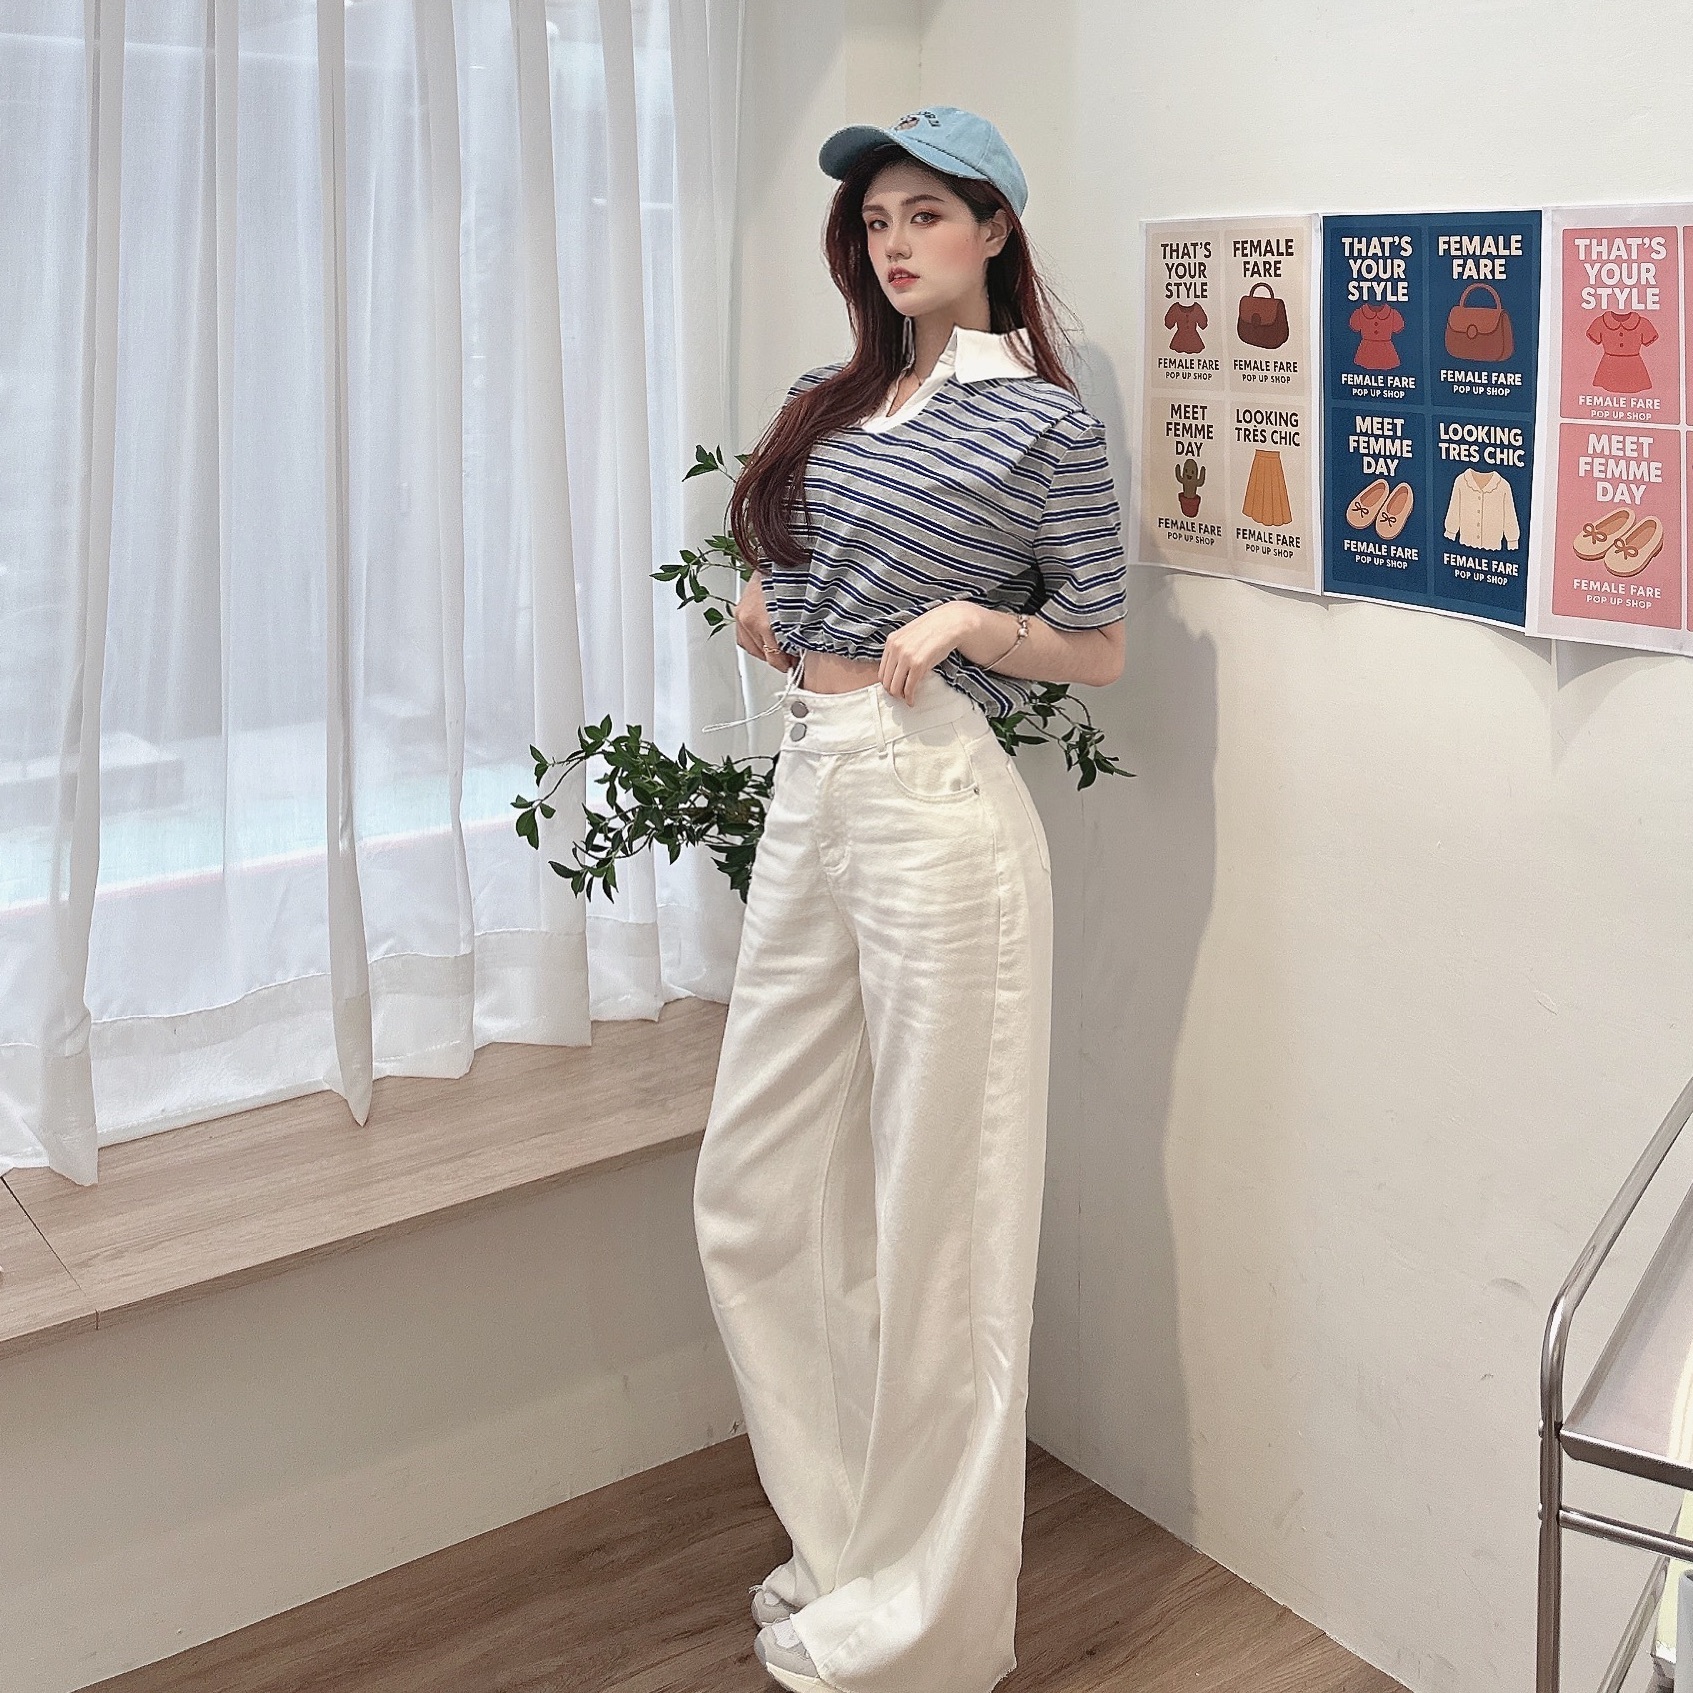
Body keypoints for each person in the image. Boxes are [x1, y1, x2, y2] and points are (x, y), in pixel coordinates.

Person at [691, 105, 1126, 1693]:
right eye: (875, 220)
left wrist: (965, 623)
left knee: (946, 1216)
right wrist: (768, 592)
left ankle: (926, 1622)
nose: (894, 241)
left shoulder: (1041, 427)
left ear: (994, 227)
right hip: (813, 779)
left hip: (934, 796)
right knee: (755, 1191)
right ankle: (854, 1542)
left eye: (925, 212)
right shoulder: (833, 396)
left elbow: (1098, 642)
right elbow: (792, 561)